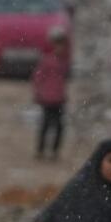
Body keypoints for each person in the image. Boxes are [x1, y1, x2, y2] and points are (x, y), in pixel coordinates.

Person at [31, 28, 71, 159]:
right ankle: (41, 150)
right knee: (46, 125)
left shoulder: (64, 62)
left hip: (59, 99)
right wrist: (38, 93)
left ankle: (54, 151)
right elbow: (38, 78)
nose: (61, 48)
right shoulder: (48, 61)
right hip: (47, 99)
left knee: (59, 126)